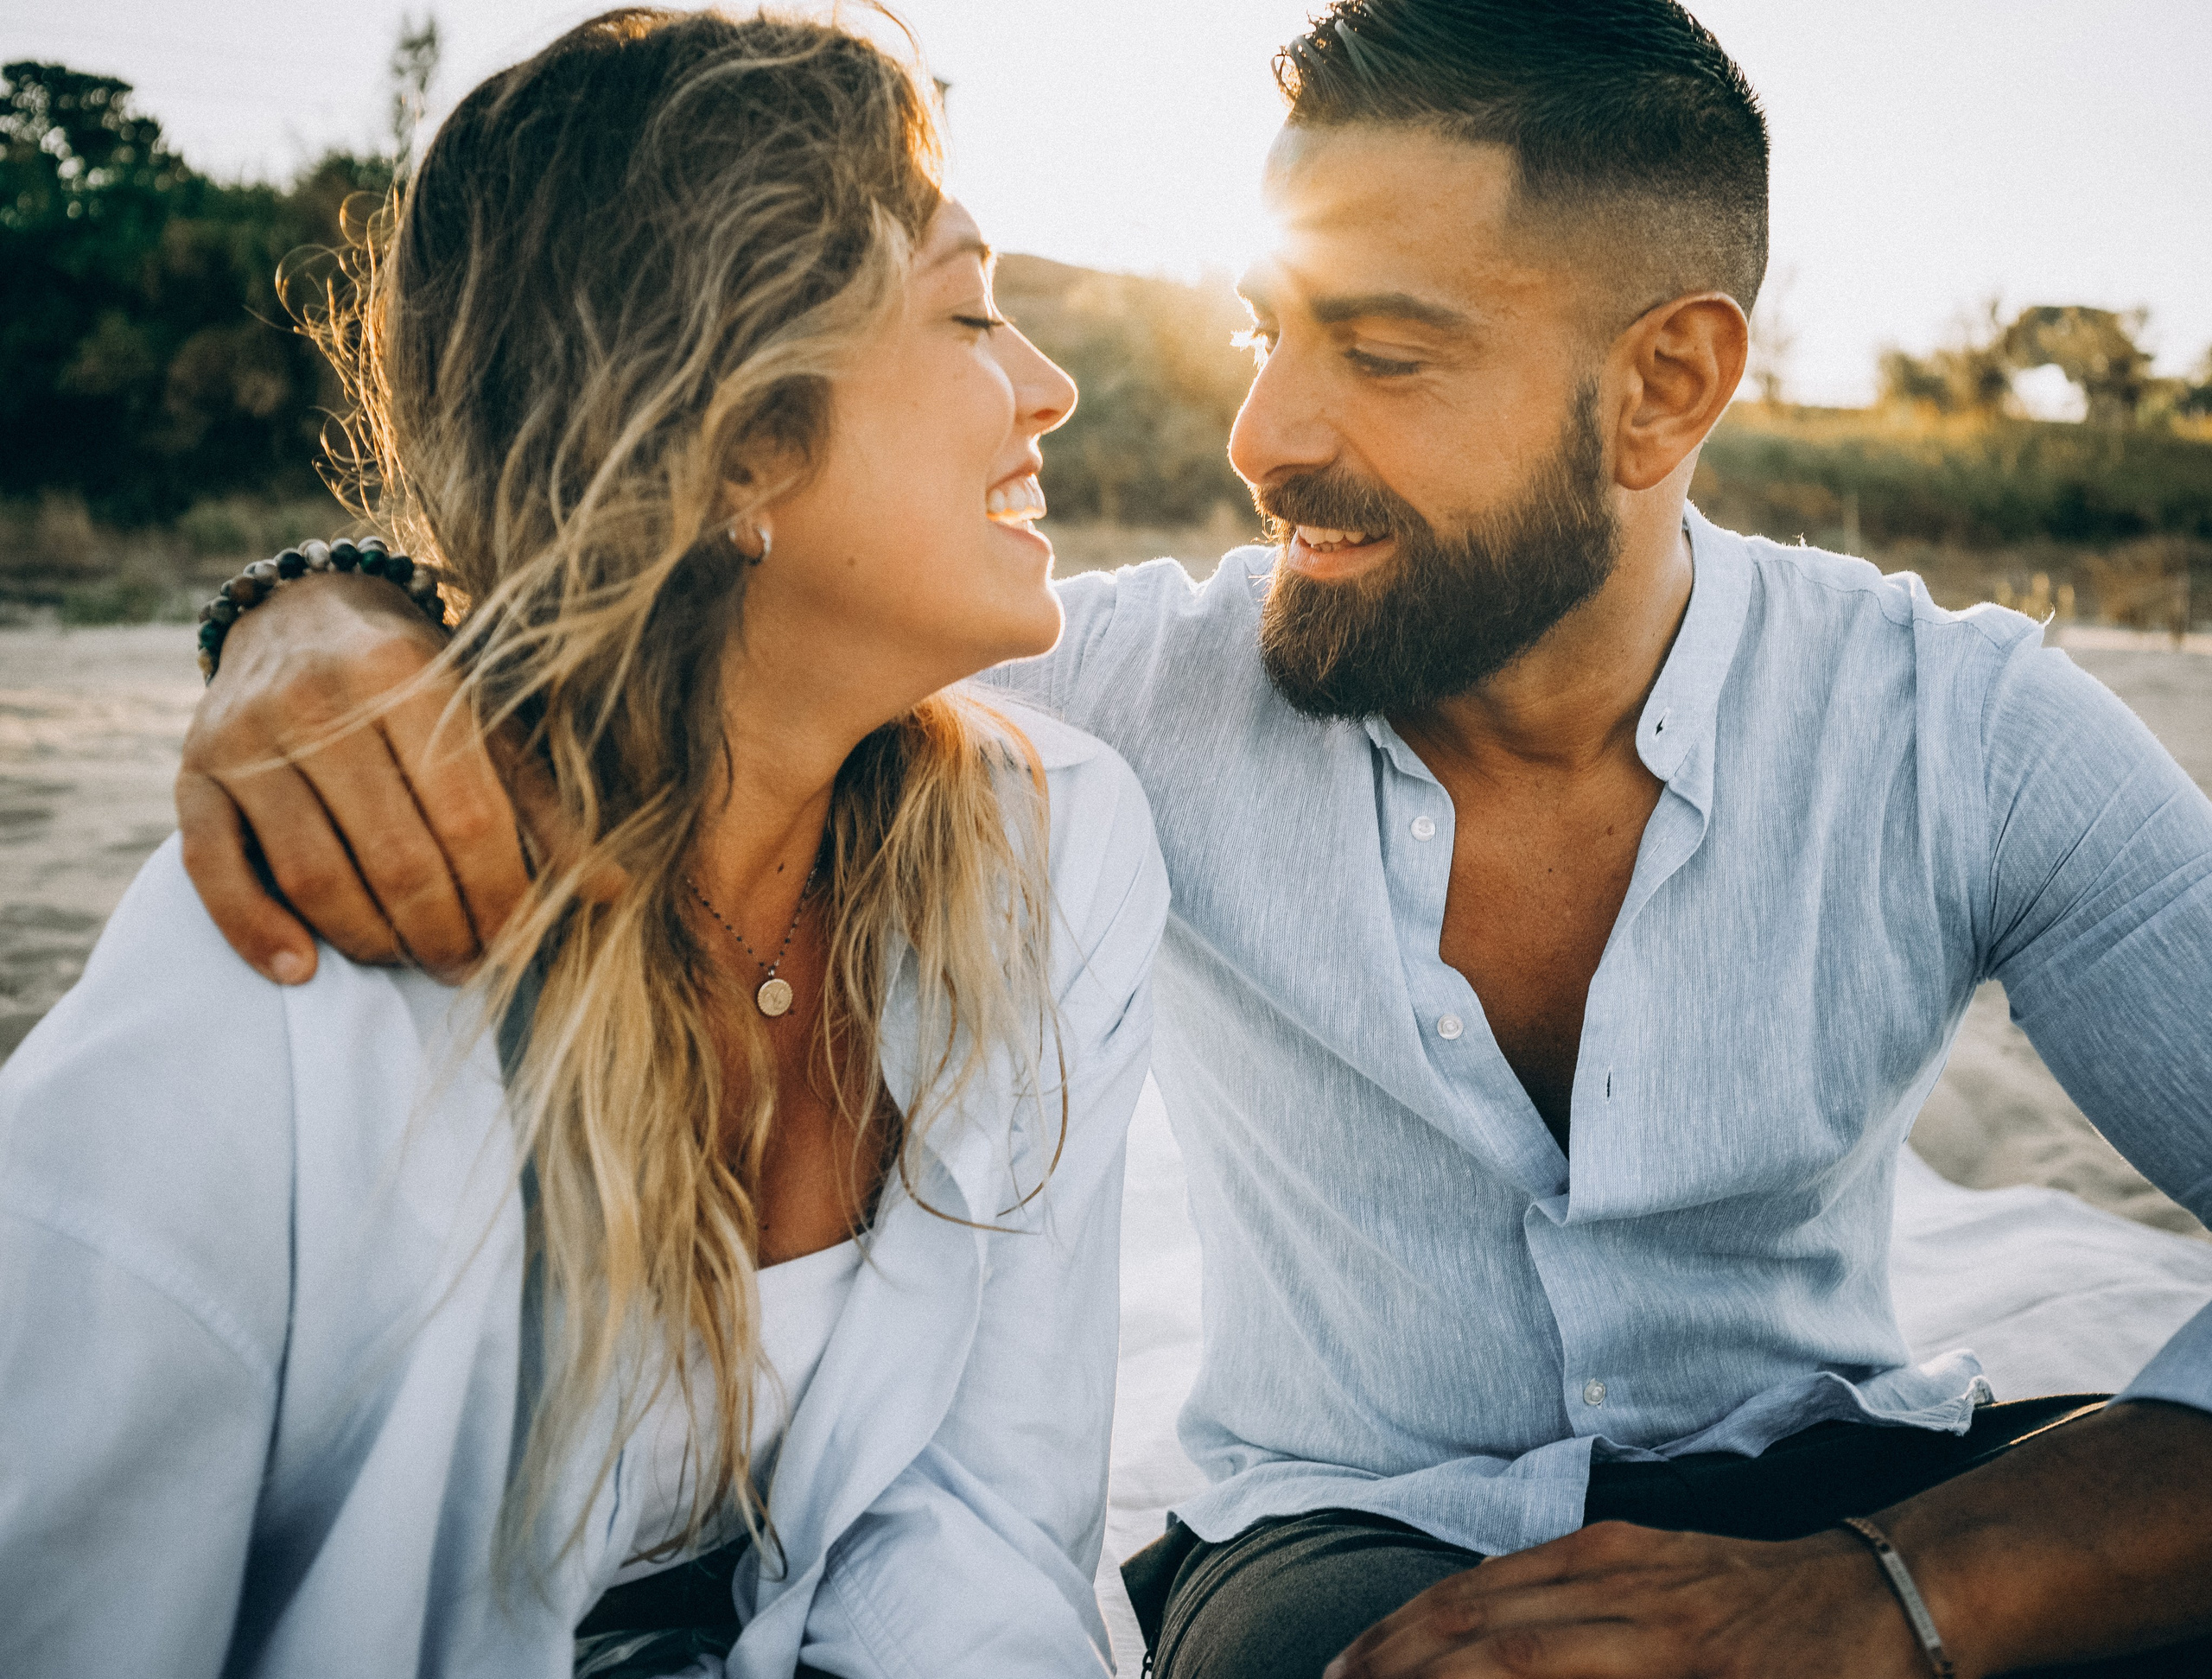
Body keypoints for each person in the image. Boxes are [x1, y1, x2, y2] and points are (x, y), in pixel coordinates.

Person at [162, 2, 2212, 1676]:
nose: (1263, 439)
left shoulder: (1965, 736)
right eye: (1265, 332)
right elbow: (692, 593)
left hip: (1861, 1486)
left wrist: (1896, 1593)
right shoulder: (1116, 700)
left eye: (1381, 354)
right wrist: (320, 611)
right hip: (1337, 1548)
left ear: (1662, 385)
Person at [0, 10, 1169, 1676]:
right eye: (970, 312)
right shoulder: (300, 961)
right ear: (734, 443)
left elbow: (989, 1537)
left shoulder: (1054, 861)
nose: (1047, 387)